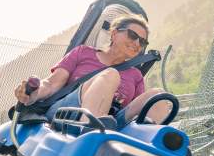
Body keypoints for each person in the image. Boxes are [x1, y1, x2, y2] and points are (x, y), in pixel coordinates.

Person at [13, 14, 169, 128]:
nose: (137, 43)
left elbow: (134, 110)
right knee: (110, 75)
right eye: (132, 35)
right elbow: (52, 84)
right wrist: (33, 93)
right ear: (114, 34)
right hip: (69, 112)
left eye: (142, 41)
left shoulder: (135, 75)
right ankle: (90, 130)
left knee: (158, 95)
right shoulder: (83, 53)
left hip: (112, 122)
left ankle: (148, 149)